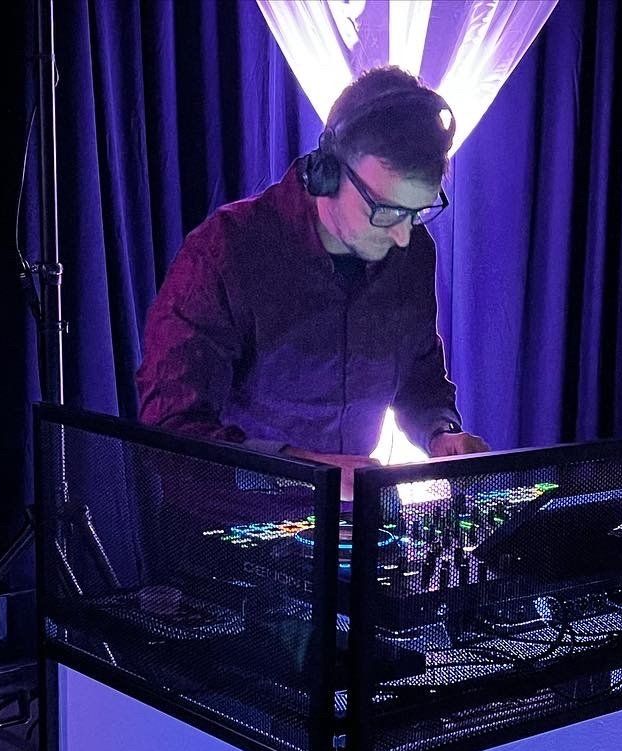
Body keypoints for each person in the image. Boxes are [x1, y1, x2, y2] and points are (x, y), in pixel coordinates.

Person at [137, 65, 488, 501]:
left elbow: (418, 376)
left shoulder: (413, 252)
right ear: (326, 174)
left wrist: (441, 434)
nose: (402, 236)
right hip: (233, 532)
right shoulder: (227, 251)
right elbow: (170, 430)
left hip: (347, 524)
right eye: (388, 211)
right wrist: (302, 469)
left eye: (416, 214)